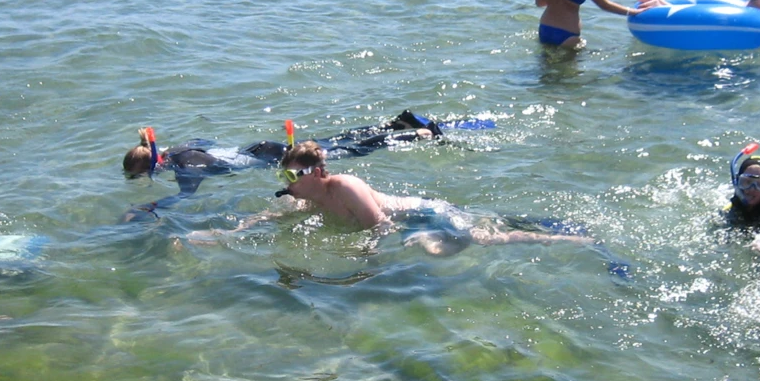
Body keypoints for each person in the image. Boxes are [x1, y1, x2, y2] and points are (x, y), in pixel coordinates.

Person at [198, 141, 599, 257]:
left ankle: (572, 240)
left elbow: (381, 226)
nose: (285, 184)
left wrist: (365, 256)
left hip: (426, 215)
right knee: (468, 239)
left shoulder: (345, 187)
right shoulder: (309, 196)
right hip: (413, 224)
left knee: (483, 239)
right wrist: (229, 231)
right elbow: (273, 216)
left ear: (316, 174)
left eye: (290, 176)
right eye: (282, 176)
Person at [122, 110, 445, 221]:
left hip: (270, 156)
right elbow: (202, 139)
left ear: (153, 166)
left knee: (347, 152)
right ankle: (394, 124)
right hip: (260, 148)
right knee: (338, 142)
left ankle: (417, 134)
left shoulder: (185, 164)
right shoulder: (180, 149)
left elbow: (187, 194)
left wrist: (154, 206)